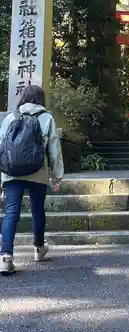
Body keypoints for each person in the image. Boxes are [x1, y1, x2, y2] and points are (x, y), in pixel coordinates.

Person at [0, 85, 64, 276]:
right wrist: (56, 177)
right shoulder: (46, 118)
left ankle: (6, 257)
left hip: (11, 173)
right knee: (37, 210)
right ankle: (38, 248)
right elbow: (54, 150)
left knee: (12, 212)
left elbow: (2, 148)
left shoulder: (10, 118)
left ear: (23, 98)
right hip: (38, 171)